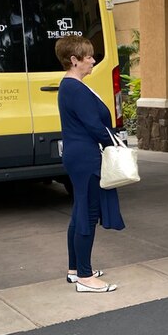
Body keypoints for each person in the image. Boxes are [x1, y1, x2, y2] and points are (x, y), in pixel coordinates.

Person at [56, 34, 124, 293]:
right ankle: (85, 276)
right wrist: (116, 144)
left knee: (79, 211)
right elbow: (95, 126)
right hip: (87, 157)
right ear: (74, 60)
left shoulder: (70, 86)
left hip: (78, 155)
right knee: (87, 213)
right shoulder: (75, 88)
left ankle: (75, 270)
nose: (93, 60)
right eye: (88, 57)